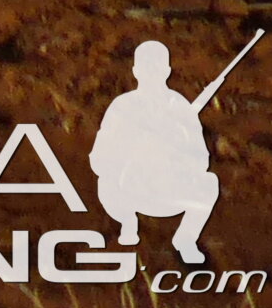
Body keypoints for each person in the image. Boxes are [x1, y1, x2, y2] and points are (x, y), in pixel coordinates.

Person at [91, 41, 223, 265]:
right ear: (136, 71)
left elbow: (200, 159)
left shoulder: (180, 108)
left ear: (167, 71)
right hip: (131, 189)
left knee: (209, 182)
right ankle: (127, 224)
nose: (151, 73)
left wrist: (174, 153)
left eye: (156, 67)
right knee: (106, 182)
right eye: (146, 67)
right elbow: (99, 157)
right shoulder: (122, 106)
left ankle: (185, 239)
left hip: (169, 190)